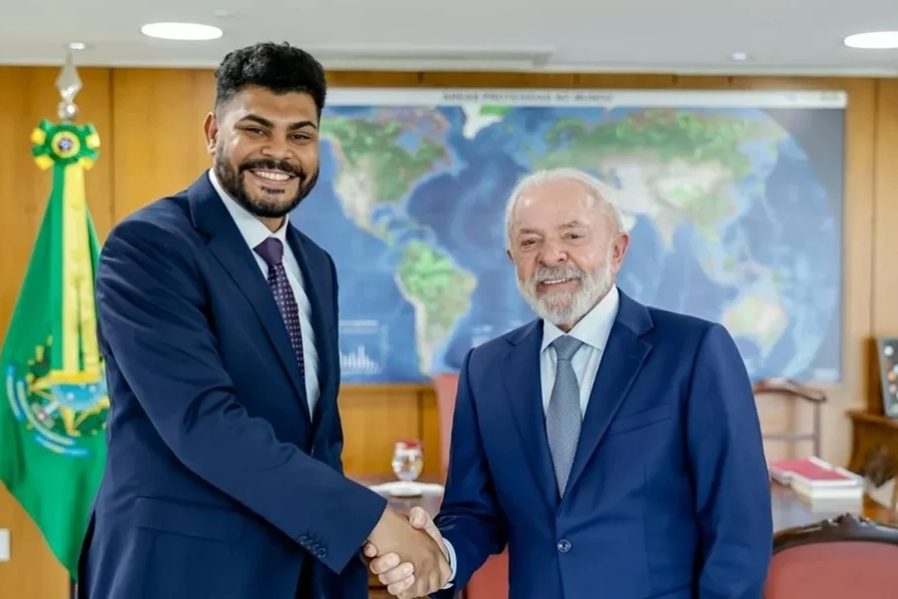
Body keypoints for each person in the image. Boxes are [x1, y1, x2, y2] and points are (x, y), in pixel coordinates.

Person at [76, 42, 446, 599]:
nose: (279, 152)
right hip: (181, 574)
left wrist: (361, 545)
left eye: (300, 135)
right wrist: (371, 520)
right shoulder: (150, 246)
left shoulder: (315, 264)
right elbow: (204, 423)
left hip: (303, 573)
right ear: (213, 132)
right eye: (256, 129)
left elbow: (317, 440)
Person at [366, 167, 773, 598]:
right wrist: (439, 558)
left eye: (572, 235)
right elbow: (474, 511)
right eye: (529, 241)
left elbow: (739, 525)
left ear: (618, 250)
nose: (551, 255)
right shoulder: (486, 368)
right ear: (512, 259)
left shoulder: (694, 351)